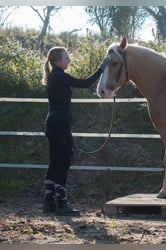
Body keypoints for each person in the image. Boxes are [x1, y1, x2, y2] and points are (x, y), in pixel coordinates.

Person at [42, 46, 109, 216]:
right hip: (61, 126)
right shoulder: (60, 77)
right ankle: (61, 203)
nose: (69, 60)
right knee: (63, 162)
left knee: (55, 162)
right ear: (58, 60)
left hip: (52, 124)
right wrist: (102, 67)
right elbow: (85, 83)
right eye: (66, 58)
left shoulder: (53, 78)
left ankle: (49, 202)